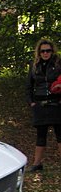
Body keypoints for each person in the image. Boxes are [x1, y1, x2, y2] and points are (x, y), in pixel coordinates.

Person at [26, 38, 61, 172]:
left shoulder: (58, 64)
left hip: (56, 103)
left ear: (52, 51)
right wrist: (31, 102)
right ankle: (37, 164)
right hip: (40, 104)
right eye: (43, 51)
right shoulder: (34, 65)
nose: (45, 53)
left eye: (48, 51)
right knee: (41, 135)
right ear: (39, 52)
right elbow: (29, 86)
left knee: (60, 134)